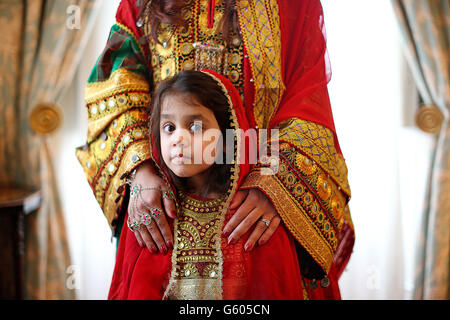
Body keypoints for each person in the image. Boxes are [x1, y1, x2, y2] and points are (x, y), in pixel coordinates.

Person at [76, 0, 354, 300]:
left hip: (259, 207)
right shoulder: (140, 4)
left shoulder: (294, 4)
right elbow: (114, 87)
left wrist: (278, 187)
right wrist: (139, 169)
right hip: (161, 201)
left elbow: (308, 98)